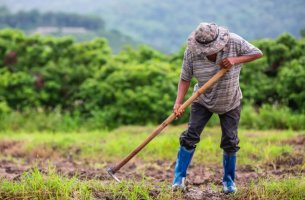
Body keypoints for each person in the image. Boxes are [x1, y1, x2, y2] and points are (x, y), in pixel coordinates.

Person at [172, 22, 263, 194]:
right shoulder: (191, 52)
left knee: (230, 141)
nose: (207, 53)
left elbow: (257, 53)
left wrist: (235, 60)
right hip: (202, 99)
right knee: (190, 136)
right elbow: (185, 78)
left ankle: (229, 183)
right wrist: (178, 103)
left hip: (230, 100)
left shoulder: (234, 42)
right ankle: (178, 180)